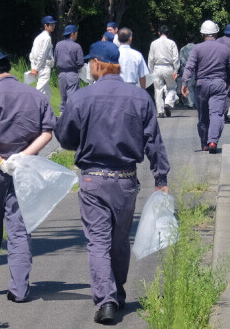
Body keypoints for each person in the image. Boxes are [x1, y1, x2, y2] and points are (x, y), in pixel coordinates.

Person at [54, 41, 170, 325]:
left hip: (93, 179)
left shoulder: (81, 98)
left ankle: (106, 299)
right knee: (119, 241)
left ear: (95, 64)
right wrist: (160, 177)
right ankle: (116, 293)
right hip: (126, 180)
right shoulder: (140, 98)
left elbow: (65, 138)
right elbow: (153, 141)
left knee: (97, 242)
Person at [0, 50, 56, 303]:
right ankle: (19, 289)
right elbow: (47, 132)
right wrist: (23, 157)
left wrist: (1, 162)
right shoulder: (36, 96)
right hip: (24, 171)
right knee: (19, 230)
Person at [181, 20, 230, 153]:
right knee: (217, 114)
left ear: (202, 34)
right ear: (216, 33)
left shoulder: (197, 49)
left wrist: (184, 83)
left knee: (203, 115)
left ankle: (204, 143)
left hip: (201, 85)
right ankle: (213, 141)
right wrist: (228, 81)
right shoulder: (225, 49)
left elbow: (189, 67)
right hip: (219, 84)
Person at [147, 24, 180, 118]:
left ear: (158, 33)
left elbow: (150, 58)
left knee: (158, 90)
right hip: (168, 67)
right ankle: (168, 103)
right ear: (168, 33)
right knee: (172, 87)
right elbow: (175, 58)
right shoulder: (172, 43)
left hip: (157, 68)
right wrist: (175, 70)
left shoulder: (154, 43)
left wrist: (151, 71)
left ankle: (160, 111)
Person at [54, 24, 84, 114]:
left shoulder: (58, 45)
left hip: (61, 74)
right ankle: (70, 121)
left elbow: (55, 59)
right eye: (76, 34)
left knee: (63, 99)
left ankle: (61, 118)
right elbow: (80, 62)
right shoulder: (76, 46)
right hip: (72, 74)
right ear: (72, 34)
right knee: (72, 99)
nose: (76, 36)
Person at [29, 15, 56, 100]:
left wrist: (34, 66)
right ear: (45, 25)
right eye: (51, 24)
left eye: (53, 24)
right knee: (39, 90)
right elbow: (42, 54)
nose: (53, 26)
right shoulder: (47, 38)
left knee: (48, 94)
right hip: (44, 67)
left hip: (39, 66)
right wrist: (36, 69)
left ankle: (47, 111)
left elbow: (32, 54)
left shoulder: (38, 37)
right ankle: (32, 107)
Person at [216, 23, 230, 122]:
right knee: (228, 93)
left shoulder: (217, 41)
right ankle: (223, 116)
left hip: (215, 71)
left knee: (217, 94)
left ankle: (215, 114)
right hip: (228, 72)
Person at [177, 33, 197, 109]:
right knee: (196, 87)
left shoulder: (182, 49)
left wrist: (188, 65)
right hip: (197, 69)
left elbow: (181, 60)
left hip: (187, 69)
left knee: (189, 86)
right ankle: (196, 102)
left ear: (186, 39)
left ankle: (191, 102)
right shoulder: (197, 48)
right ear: (194, 40)